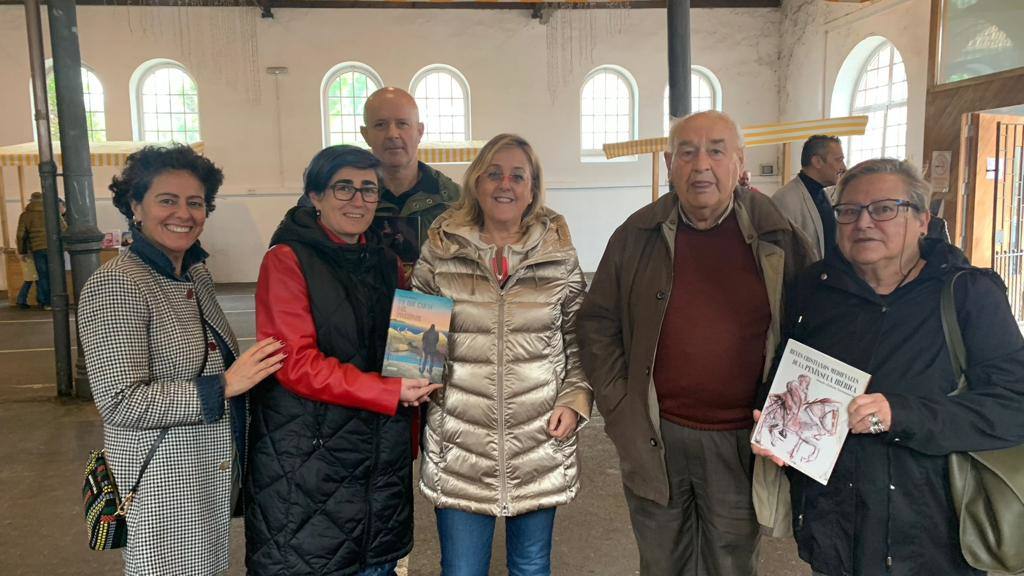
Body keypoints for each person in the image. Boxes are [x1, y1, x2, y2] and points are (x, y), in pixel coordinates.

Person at [754, 158, 1024, 576]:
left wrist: (901, 413)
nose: (863, 222)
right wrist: (774, 424)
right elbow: (787, 372)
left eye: (883, 208)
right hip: (835, 524)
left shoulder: (969, 294)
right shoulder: (815, 288)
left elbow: (1013, 406)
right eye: (848, 211)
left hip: (932, 534)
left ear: (922, 220)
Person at [577, 111, 814, 576]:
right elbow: (597, 323)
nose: (700, 164)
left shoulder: (779, 237)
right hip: (655, 435)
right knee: (661, 560)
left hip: (739, 442)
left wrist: (789, 420)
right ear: (669, 162)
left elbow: (814, 332)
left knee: (731, 560)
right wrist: (621, 406)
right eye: (686, 152)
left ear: (739, 161)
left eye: (716, 150)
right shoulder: (636, 236)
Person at [77, 145, 285, 575]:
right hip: (160, 485)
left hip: (207, 475)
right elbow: (120, 401)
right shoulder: (117, 285)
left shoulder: (194, 273)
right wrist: (226, 385)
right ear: (135, 206)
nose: (184, 214)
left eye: (195, 203)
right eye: (166, 200)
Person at [246, 145, 440, 576]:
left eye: (368, 190)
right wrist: (390, 391)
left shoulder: (387, 263)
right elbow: (294, 363)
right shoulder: (287, 260)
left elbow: (409, 350)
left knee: (376, 563)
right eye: (344, 188)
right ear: (315, 196)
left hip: (378, 463)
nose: (358, 201)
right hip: (312, 461)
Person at [412, 133, 591, 575]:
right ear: (476, 182)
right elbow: (416, 338)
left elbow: (579, 336)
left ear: (532, 189)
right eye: (493, 173)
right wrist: (421, 386)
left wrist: (575, 400)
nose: (504, 184)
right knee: (461, 569)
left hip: (538, 439)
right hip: (460, 442)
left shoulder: (558, 254)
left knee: (531, 567)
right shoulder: (441, 248)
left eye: (517, 175)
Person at [360, 87, 461, 242]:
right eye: (380, 125)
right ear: (365, 134)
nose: (392, 134)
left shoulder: (454, 200)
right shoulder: (348, 200)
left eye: (402, 124)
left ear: (419, 131)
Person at [772, 135, 847, 261]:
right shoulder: (785, 200)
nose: (844, 167)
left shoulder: (823, 194)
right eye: (838, 160)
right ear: (817, 161)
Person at [15, 191, 58, 309]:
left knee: (42, 276)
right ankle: (57, 301)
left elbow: (20, 235)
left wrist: (22, 251)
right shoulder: (52, 212)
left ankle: (45, 302)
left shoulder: (25, 215)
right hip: (53, 249)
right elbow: (63, 227)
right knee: (55, 275)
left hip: (37, 249)